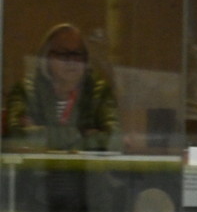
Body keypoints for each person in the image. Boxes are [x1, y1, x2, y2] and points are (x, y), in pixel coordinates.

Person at [3, 23, 120, 151]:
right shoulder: (26, 90)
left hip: (84, 165)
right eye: (63, 54)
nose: (71, 61)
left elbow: (114, 140)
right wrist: (82, 134)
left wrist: (41, 134)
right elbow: (17, 136)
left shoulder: (99, 91)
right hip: (38, 164)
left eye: (78, 54)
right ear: (46, 57)